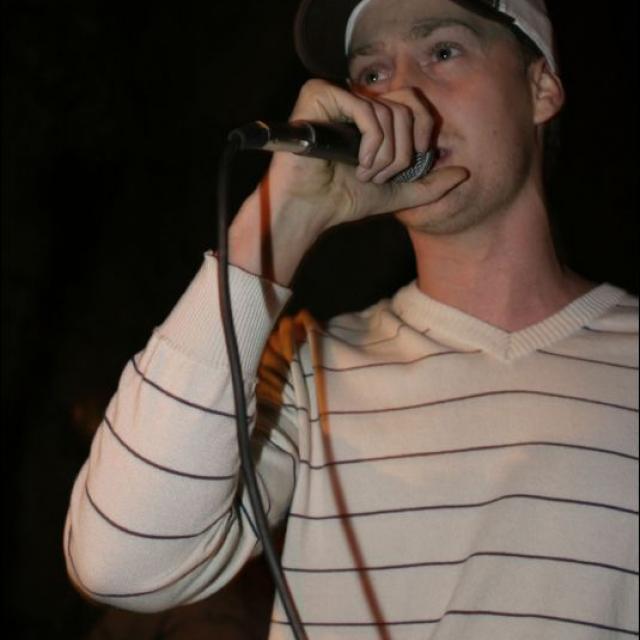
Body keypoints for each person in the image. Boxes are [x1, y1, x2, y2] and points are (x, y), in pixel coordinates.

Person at [64, 0, 639, 637]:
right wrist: (280, 220)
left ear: (541, 87)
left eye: (442, 52)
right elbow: (123, 565)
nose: (400, 96)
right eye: (372, 74)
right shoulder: (303, 370)